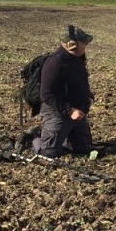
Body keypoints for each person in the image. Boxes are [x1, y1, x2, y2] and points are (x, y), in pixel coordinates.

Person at [32, 25, 95, 157]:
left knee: (82, 149)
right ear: (72, 44)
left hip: (77, 112)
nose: (85, 46)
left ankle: (61, 135)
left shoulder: (77, 59)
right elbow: (46, 94)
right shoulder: (54, 63)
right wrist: (70, 111)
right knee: (49, 152)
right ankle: (34, 138)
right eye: (83, 43)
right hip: (57, 112)